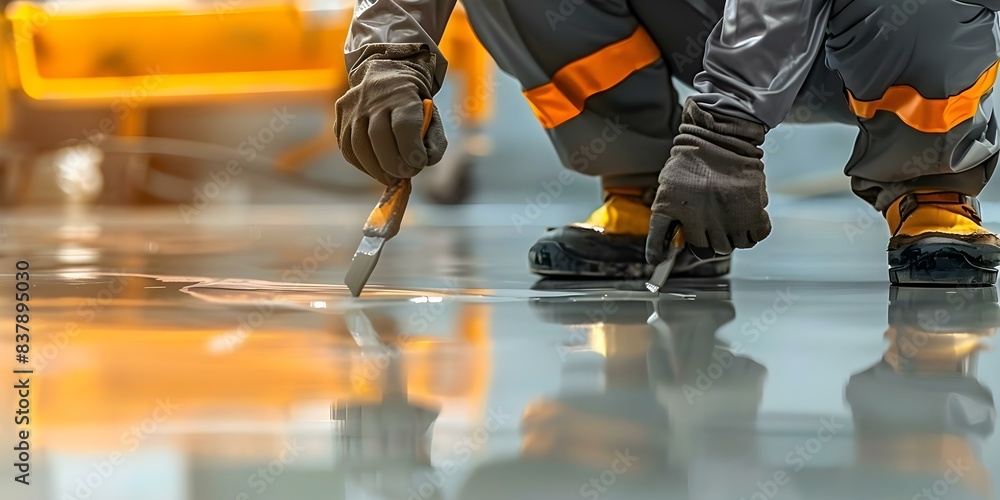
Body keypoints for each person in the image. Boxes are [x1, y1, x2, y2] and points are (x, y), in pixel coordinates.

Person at [335, 0, 1000, 284]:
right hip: (704, 28)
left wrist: (725, 126)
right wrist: (386, 58)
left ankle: (929, 191)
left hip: (873, 28)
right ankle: (644, 193)